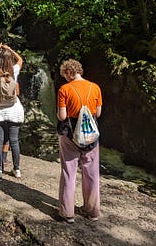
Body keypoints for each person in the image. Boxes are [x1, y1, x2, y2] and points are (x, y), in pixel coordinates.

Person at [56, 59, 102, 223]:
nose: (65, 78)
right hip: (90, 136)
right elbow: (98, 113)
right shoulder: (95, 87)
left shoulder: (64, 89)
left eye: (65, 75)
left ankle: (67, 213)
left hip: (69, 135)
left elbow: (62, 116)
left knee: (69, 172)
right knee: (91, 173)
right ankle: (92, 211)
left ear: (69, 72)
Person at [0, 43, 24, 179]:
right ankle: (17, 169)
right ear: (10, 60)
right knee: (14, 141)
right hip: (14, 110)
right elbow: (20, 60)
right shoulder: (15, 70)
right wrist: (10, 49)